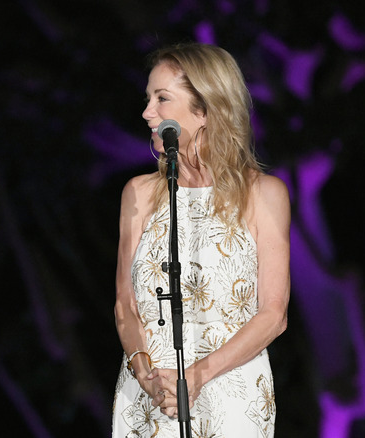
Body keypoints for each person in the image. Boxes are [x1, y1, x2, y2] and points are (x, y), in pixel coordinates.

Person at [112, 42, 290, 437]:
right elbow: (125, 302)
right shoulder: (138, 193)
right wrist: (143, 372)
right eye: (147, 99)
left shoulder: (264, 194)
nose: (147, 112)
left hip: (230, 391)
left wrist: (195, 376)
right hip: (150, 395)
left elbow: (273, 315)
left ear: (205, 109)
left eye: (162, 98)